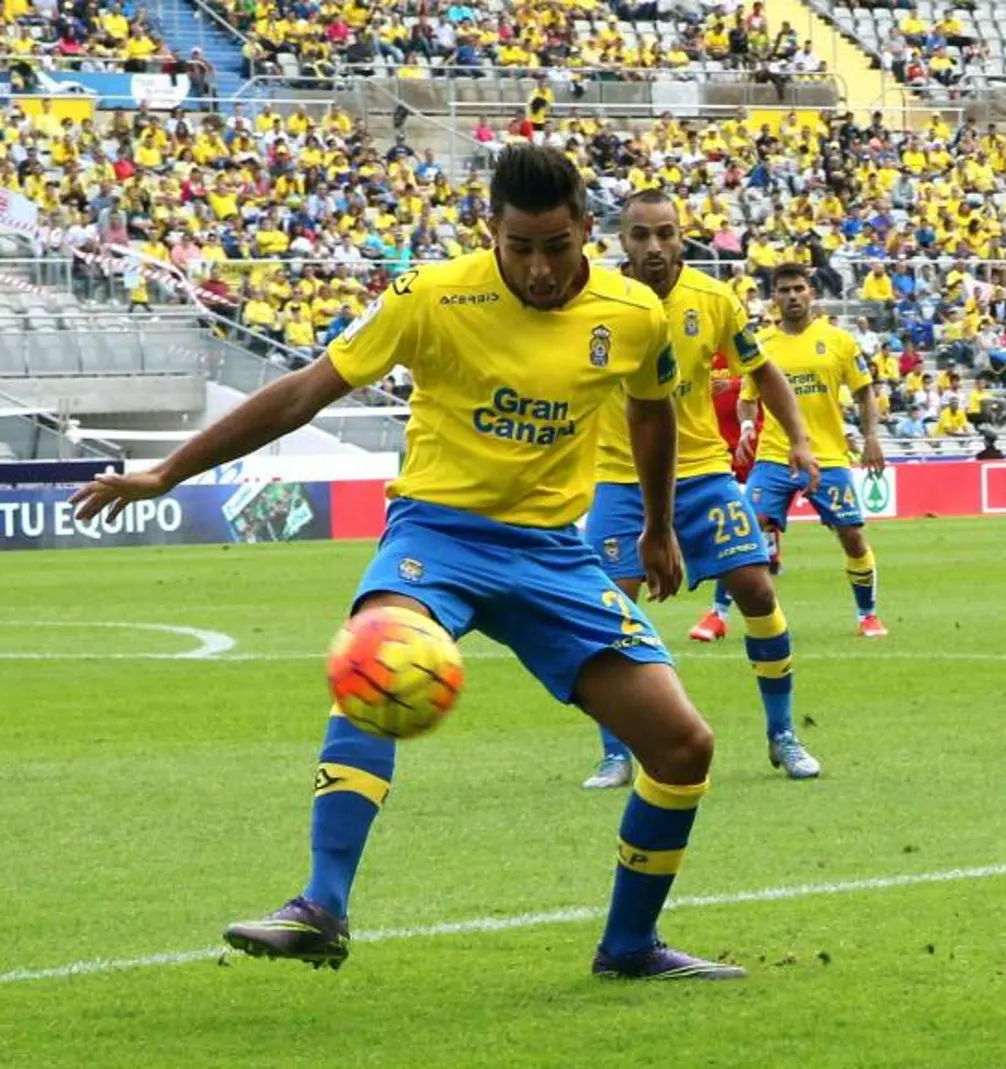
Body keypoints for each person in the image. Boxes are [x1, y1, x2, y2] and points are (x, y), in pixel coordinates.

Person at [70, 146, 745, 981]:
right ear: (489, 231)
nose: (539, 268)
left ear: (584, 232)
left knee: (682, 745)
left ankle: (630, 946)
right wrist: (165, 470)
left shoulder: (633, 313)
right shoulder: (431, 295)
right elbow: (303, 392)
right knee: (378, 652)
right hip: (440, 535)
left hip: (552, 552)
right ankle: (321, 904)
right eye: (520, 247)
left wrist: (656, 527)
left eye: (559, 246)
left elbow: (650, 413)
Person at [582, 190, 825, 789]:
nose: (655, 246)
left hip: (702, 475)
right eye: (642, 235)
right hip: (620, 479)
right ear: (622, 239)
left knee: (757, 592)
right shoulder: (594, 301)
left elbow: (762, 370)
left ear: (682, 235)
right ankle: (616, 752)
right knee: (610, 611)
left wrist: (798, 436)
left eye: (666, 233)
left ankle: (783, 734)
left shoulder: (713, 299)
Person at [740, 263, 889, 638]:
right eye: (784, 290)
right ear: (773, 298)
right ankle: (717, 614)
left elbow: (864, 391)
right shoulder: (761, 344)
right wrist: (745, 427)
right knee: (747, 530)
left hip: (828, 455)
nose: (792, 296)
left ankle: (867, 614)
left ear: (811, 293)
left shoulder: (839, 341)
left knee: (851, 534)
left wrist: (871, 436)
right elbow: (747, 398)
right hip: (775, 454)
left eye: (798, 289)